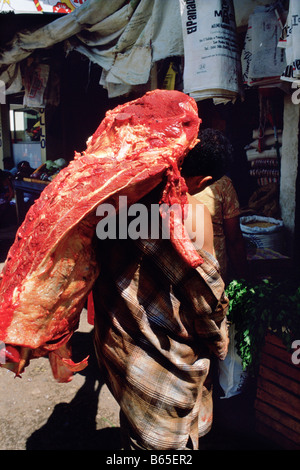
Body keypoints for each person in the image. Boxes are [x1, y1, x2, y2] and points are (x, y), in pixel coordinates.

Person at [92, 178, 229, 450]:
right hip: (170, 359)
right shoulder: (194, 213)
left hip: (122, 347)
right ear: (204, 181)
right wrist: (219, 339)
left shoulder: (107, 204)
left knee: (135, 424)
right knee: (167, 441)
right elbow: (207, 304)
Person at [181, 128, 248, 284]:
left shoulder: (157, 184)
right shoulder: (223, 184)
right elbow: (234, 239)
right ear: (204, 181)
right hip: (208, 280)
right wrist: (245, 278)